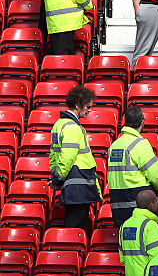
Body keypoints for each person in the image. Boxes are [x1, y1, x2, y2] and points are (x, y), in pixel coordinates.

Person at [50, 85, 102, 233]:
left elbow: (54, 156)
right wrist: (59, 178)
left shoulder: (58, 125)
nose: (90, 110)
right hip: (79, 184)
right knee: (76, 229)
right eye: (88, 106)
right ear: (78, 105)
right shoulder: (73, 127)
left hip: (72, 182)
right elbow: (67, 157)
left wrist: (56, 178)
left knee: (76, 226)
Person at [107, 105, 158, 227]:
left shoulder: (114, 145)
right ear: (142, 122)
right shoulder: (139, 144)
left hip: (118, 205)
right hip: (139, 205)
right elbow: (156, 174)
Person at [119, 189, 158, 276]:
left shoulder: (125, 225)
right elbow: (156, 257)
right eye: (156, 201)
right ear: (151, 205)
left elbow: (122, 258)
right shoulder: (150, 225)